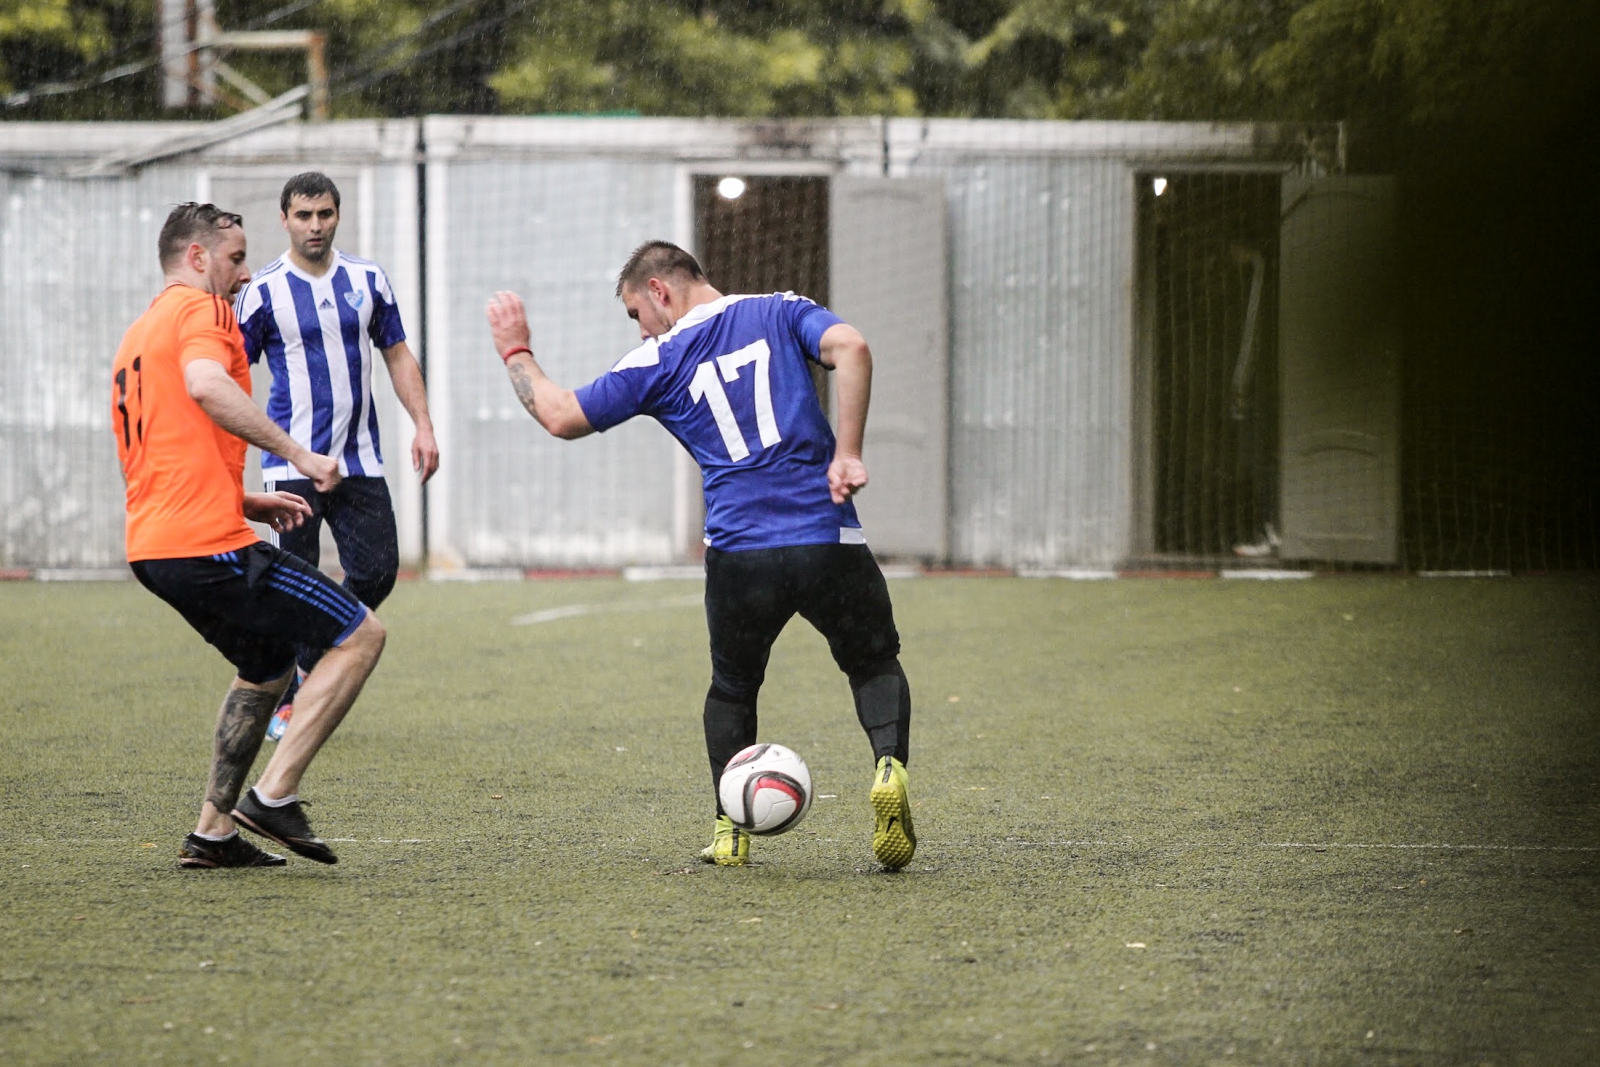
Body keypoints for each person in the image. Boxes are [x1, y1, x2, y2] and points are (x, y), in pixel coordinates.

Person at [484, 241, 917, 870]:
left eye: (636, 311)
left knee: (733, 689)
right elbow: (852, 347)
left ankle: (729, 828)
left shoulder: (656, 359)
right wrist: (846, 451)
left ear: (659, 291)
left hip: (741, 553)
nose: (639, 326)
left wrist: (515, 349)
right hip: (826, 537)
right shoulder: (781, 310)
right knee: (873, 662)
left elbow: (559, 416)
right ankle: (887, 766)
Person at [113, 202, 386, 869]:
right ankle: (274, 793)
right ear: (198, 257)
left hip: (155, 548)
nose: (243, 274)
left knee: (265, 664)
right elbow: (208, 387)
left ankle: (213, 832)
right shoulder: (202, 312)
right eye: (235, 259)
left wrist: (246, 498)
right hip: (208, 545)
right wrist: (300, 454)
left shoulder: (140, 333)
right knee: (361, 635)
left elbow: (162, 446)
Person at [235, 171, 438, 741]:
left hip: (359, 459)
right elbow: (232, 376)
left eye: (324, 214)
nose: (315, 225)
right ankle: (294, 696)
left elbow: (397, 353)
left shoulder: (367, 279)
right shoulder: (263, 292)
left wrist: (423, 425)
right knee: (296, 582)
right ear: (284, 220)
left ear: (337, 215)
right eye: (304, 216)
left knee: (378, 569)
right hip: (292, 465)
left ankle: (310, 666)